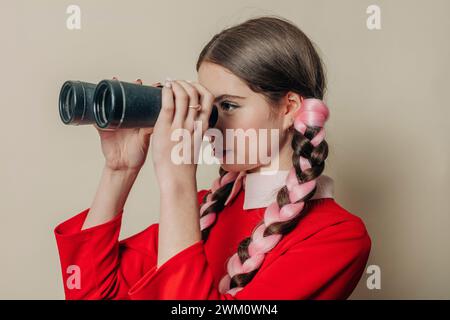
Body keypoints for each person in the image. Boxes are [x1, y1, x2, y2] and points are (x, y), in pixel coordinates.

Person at [54, 16, 371, 300]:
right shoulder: (206, 209)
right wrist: (118, 169)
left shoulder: (337, 236)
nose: (209, 123)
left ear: (289, 107)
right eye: (207, 107)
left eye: (228, 106)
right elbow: (93, 294)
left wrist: (177, 183)